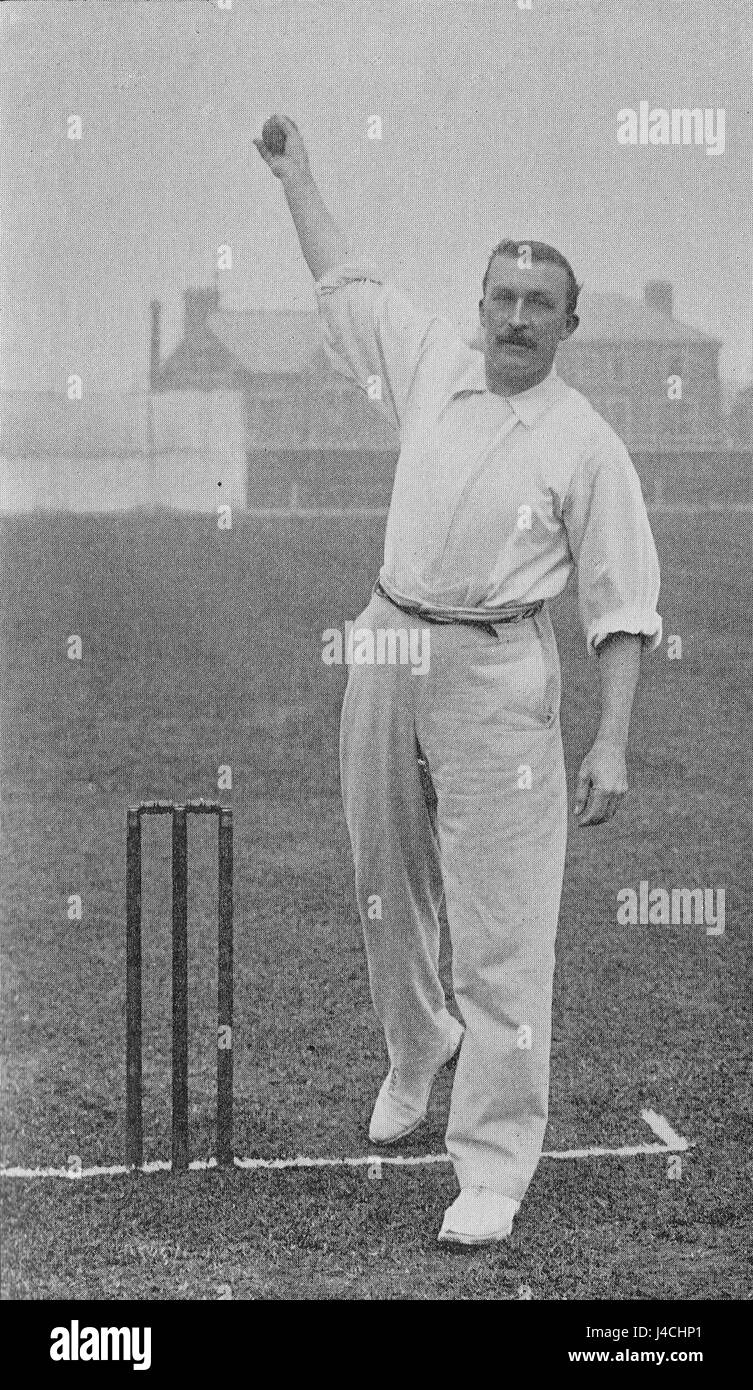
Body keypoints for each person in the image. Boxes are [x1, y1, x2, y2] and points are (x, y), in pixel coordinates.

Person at [254, 115, 662, 1245]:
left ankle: (492, 1160)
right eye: (502, 299)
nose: (515, 319)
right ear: (479, 305)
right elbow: (348, 284)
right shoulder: (435, 362)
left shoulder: (585, 444)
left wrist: (613, 739)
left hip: (500, 672)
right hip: (388, 640)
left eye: (539, 305)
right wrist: (299, 171)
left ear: (569, 325)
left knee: (502, 926)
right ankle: (413, 1050)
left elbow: (623, 607)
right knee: (386, 878)